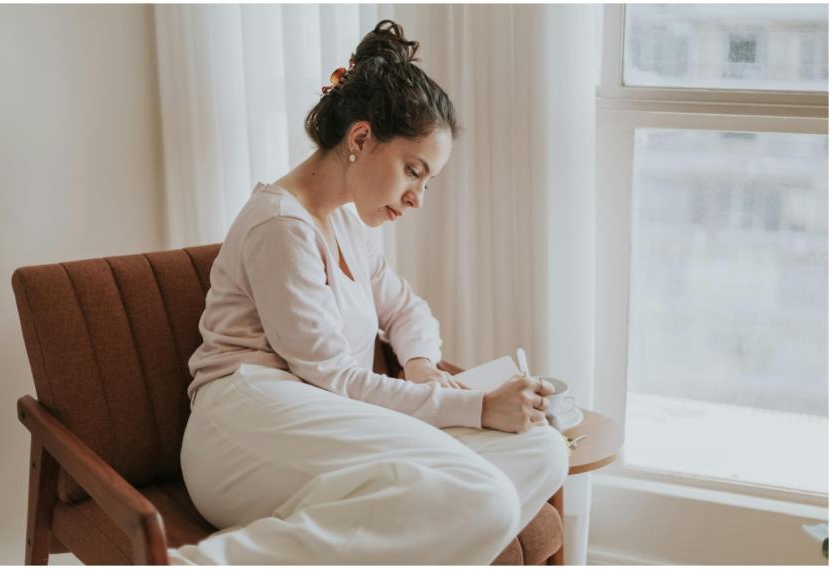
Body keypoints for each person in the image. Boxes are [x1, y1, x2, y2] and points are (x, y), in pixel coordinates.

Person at [167, 19, 568, 565]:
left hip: (327, 418)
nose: (416, 198)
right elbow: (331, 377)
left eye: (427, 182)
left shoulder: (348, 222)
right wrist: (472, 405)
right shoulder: (281, 226)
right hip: (248, 417)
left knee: (543, 450)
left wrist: (422, 364)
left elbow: (406, 310)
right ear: (360, 139)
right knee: (489, 496)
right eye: (412, 171)